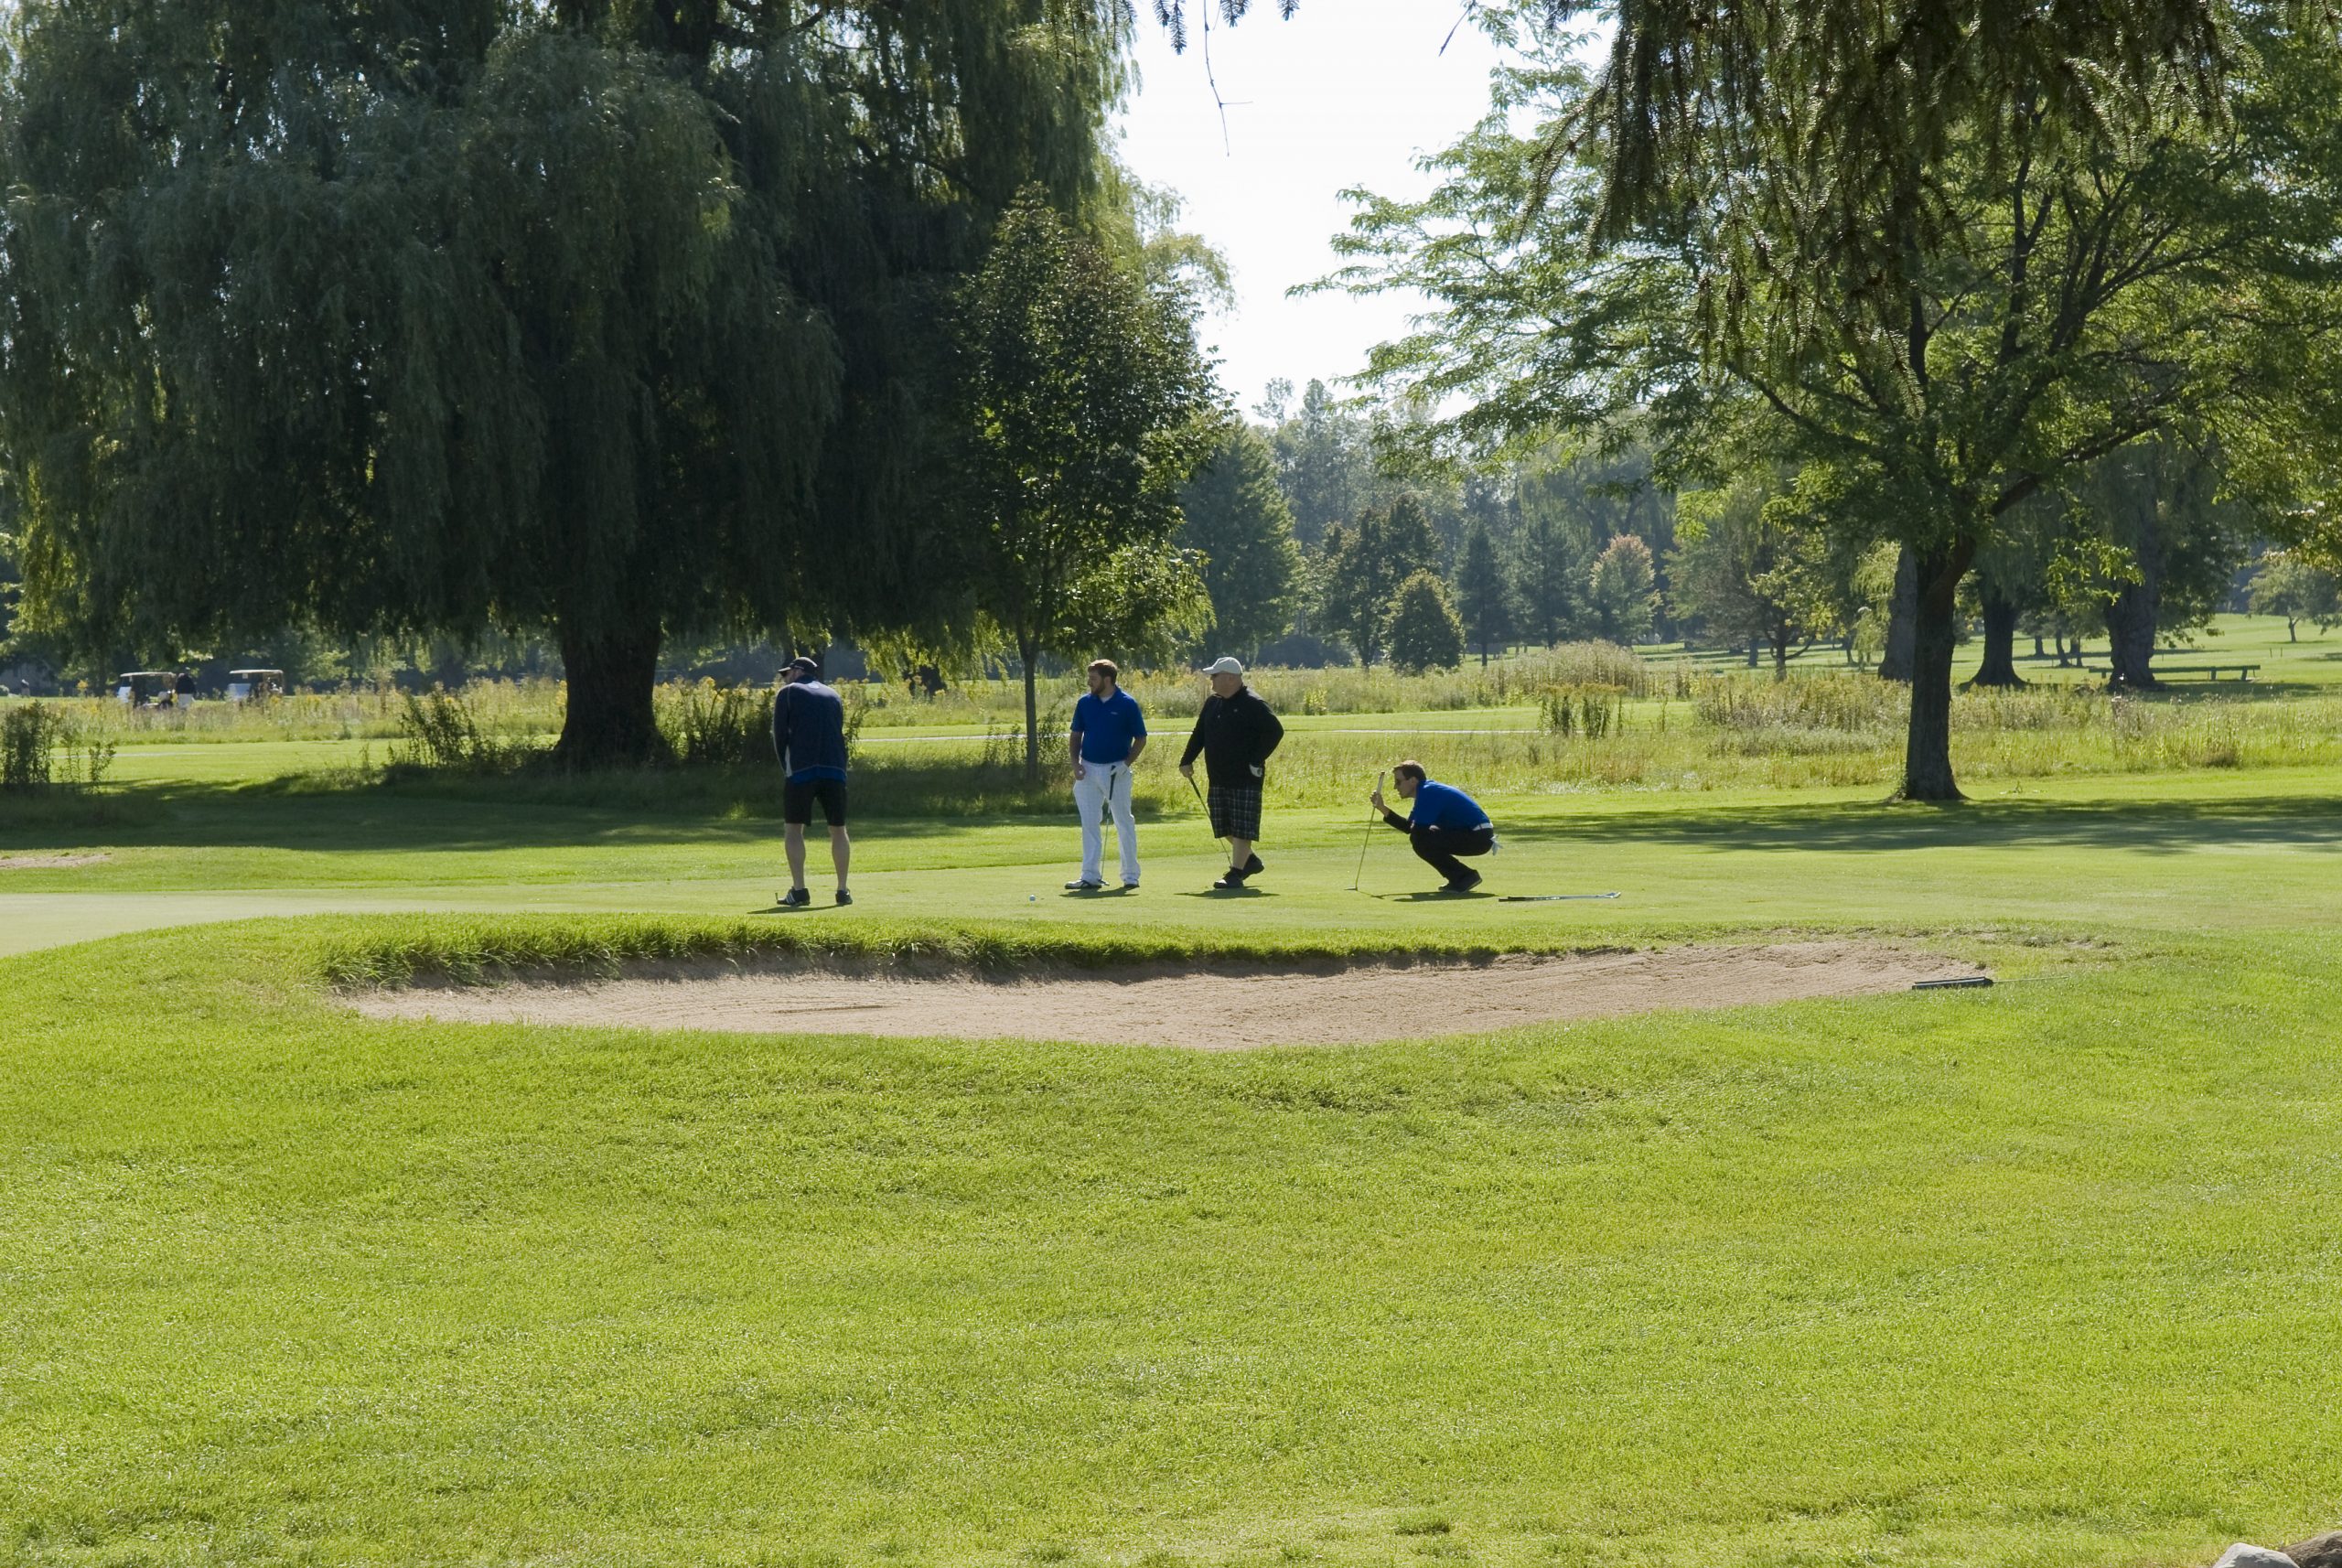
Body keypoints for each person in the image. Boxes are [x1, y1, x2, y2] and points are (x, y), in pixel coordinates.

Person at [1178, 656, 1284, 890]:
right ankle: (1250, 861)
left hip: (1245, 776)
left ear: (1229, 678)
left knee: (1241, 826)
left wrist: (1256, 759)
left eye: (1215, 676)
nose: (1211, 680)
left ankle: (1236, 873)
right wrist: (1186, 760)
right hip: (1218, 775)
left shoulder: (1253, 703)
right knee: (1223, 825)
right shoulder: (1213, 703)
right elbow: (1199, 733)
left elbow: (1275, 731)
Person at [771, 655, 853, 908]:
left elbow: (779, 735)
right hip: (835, 770)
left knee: (793, 829)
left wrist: (786, 768)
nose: (785, 679)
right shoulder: (834, 695)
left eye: (787, 674)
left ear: (797, 671)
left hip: (802, 769)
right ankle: (842, 891)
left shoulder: (788, 693)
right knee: (838, 829)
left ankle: (799, 890)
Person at [1067, 659, 1147, 891]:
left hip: (1116, 770)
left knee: (1123, 821)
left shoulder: (1127, 704)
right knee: (1089, 823)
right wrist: (1075, 764)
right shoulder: (1085, 703)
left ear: (1107, 679)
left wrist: (1126, 763)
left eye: (1093, 679)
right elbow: (1076, 735)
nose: (1089, 683)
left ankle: (1130, 875)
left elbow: (1141, 738)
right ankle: (1090, 875)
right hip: (1087, 769)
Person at [1371, 760, 1495, 894]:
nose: (1395, 787)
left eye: (1398, 781)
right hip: (1477, 835)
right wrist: (1382, 808)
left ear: (1413, 781)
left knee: (1421, 839)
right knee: (1420, 838)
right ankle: (1463, 877)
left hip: (1478, 837)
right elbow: (1409, 827)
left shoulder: (1428, 792)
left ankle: (1465, 877)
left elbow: (1417, 832)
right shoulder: (1425, 791)